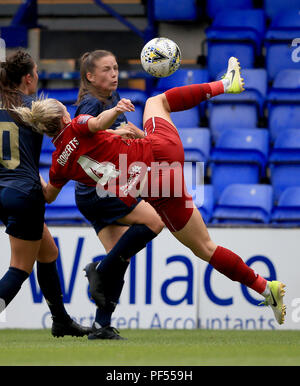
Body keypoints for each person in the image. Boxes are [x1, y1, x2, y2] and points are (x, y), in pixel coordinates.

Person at [14, 57, 287, 326]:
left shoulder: (58, 165)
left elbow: (49, 195)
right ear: (64, 116)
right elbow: (96, 124)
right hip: (160, 152)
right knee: (158, 101)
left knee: (205, 248)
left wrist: (30, 174)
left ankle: (264, 287)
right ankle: (226, 85)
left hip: (156, 188)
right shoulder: (77, 125)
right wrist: (117, 109)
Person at [0, 49, 92, 337]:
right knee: (19, 268)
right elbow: (67, 132)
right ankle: (61, 320)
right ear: (28, 78)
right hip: (26, 193)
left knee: (48, 251)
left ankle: (61, 320)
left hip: (4, 191)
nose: (38, 76)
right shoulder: (34, 107)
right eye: (37, 72)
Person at [74, 50, 164, 340]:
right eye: (106, 69)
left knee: (120, 259)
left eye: (115, 68)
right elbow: (86, 137)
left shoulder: (112, 100)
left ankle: (101, 326)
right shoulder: (90, 103)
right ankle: (98, 269)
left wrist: (136, 135)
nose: (114, 73)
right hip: (99, 188)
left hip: (94, 191)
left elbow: (116, 136)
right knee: (155, 221)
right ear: (90, 76)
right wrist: (117, 134)